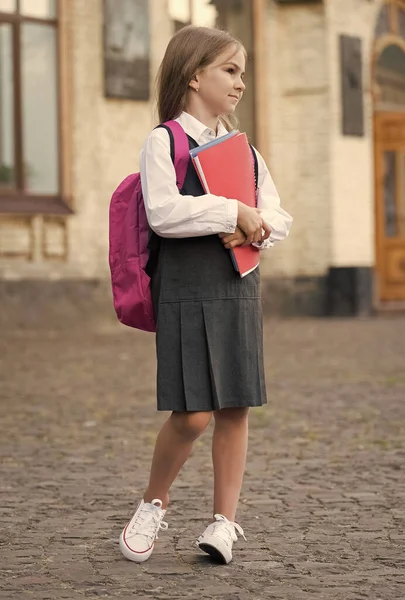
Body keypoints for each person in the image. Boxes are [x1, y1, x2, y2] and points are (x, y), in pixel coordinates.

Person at [119, 25, 292, 566]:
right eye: (230, 70)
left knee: (235, 406)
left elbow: (279, 216)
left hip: (237, 285)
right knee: (192, 413)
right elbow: (163, 213)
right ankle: (152, 503)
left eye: (242, 72)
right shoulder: (164, 141)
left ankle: (224, 522)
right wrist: (231, 211)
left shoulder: (245, 151)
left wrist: (256, 224)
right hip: (186, 288)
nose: (241, 83)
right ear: (195, 74)